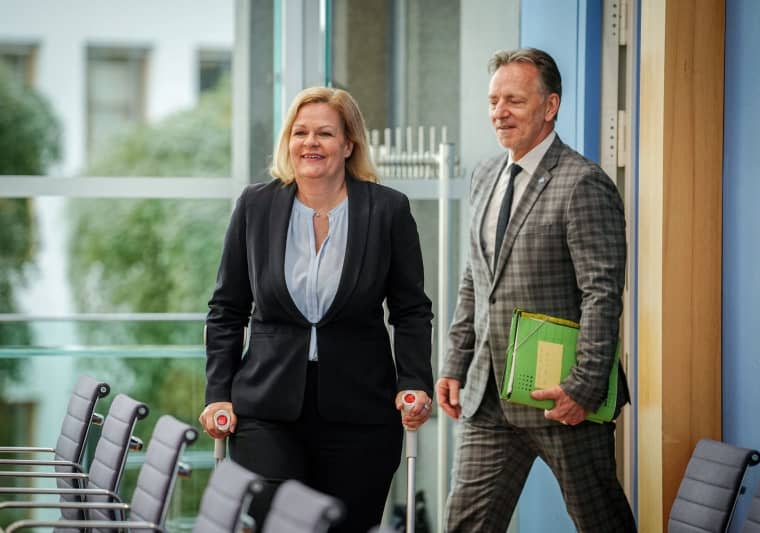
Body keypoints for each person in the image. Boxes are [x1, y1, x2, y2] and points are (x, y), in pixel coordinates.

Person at [199, 86, 434, 533]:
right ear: (288, 141)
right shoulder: (256, 205)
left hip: (361, 412)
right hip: (266, 408)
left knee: (345, 525)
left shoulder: (387, 210)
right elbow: (227, 309)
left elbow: (411, 311)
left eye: (325, 133)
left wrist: (415, 382)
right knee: (282, 523)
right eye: (300, 132)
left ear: (348, 144)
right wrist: (217, 394)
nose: (311, 143)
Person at [435, 48, 636, 532]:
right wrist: (455, 363)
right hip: (488, 396)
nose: (499, 113)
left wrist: (583, 388)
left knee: (600, 521)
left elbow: (602, 294)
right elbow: (475, 279)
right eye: (493, 101)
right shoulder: (485, 176)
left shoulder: (583, 183)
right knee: (465, 523)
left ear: (550, 107)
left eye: (514, 101)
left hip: (560, 396)